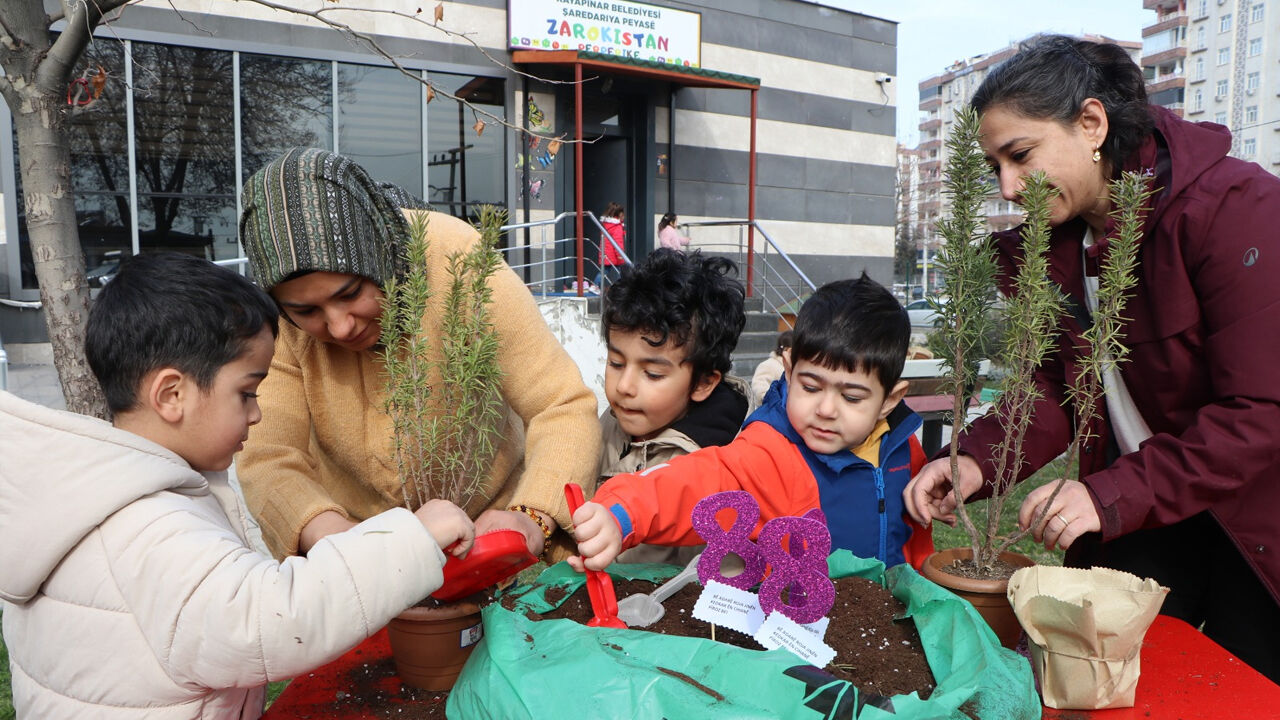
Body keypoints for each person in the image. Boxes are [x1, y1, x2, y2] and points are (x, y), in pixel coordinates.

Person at [901, 35, 1280, 682]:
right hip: (1147, 510)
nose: (1008, 187)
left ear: (1092, 123)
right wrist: (972, 460)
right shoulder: (1053, 249)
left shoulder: (1237, 211)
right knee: (1094, 681)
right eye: (994, 167)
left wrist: (1107, 495)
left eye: (1020, 156)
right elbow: (1054, 390)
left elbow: (1261, 411)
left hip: (1255, 526)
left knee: (1239, 690)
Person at [0, 253, 475, 719]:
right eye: (246, 392)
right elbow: (264, 621)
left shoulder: (100, 494)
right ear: (172, 395)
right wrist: (413, 539)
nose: (256, 412)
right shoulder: (146, 522)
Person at [237, 147, 600, 563]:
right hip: (357, 547)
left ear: (380, 260)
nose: (340, 327)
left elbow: (561, 404)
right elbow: (269, 455)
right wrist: (339, 540)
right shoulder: (279, 320)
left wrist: (529, 517)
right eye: (307, 311)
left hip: (492, 539)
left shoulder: (461, 263)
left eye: (351, 294)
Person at [570, 274, 933, 572]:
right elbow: (694, 481)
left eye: (851, 397)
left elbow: (913, 534)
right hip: (800, 636)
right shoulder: (770, 451)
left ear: (889, 400)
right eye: (809, 386)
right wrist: (623, 514)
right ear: (788, 372)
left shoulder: (902, 447)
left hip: (890, 624)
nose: (825, 409)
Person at [598, 248, 751, 564]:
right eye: (615, 362)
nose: (624, 387)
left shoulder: (723, 467)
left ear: (703, 383)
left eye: (652, 373)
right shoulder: (609, 425)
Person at [750, 330, 793, 403]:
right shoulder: (769, 365)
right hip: (774, 410)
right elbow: (759, 386)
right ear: (787, 350)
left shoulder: (796, 366)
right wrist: (772, 401)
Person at [597, 201, 627, 288]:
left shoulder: (606, 225)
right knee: (621, 272)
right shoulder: (617, 227)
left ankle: (594, 286)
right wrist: (620, 255)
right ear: (620, 214)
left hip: (606, 253)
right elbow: (618, 242)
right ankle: (621, 288)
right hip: (614, 255)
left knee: (603, 271)